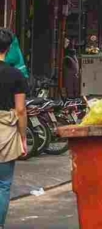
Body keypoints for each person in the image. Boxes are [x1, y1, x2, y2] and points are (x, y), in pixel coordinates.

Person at [0, 29, 26, 228]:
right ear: (8, 50)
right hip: (6, 132)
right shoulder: (16, 75)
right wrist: (23, 138)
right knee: (3, 184)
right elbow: (20, 110)